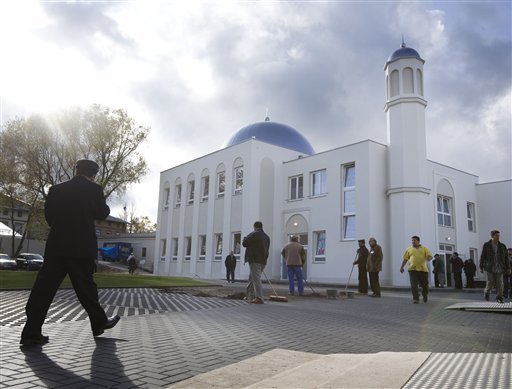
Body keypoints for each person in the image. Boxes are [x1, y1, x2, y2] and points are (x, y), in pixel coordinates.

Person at [20, 160, 120, 346]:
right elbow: (102, 212)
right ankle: (99, 323)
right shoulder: (94, 189)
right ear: (93, 174)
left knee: (43, 290)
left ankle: (31, 332)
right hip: (81, 248)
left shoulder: (56, 190)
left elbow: (49, 216)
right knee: (86, 289)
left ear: (76, 170)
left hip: (57, 246)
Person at [242, 221, 270, 304]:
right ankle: (250, 296)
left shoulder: (254, 234)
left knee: (256, 279)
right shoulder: (266, 237)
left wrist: (244, 238)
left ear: (254, 227)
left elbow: (245, 243)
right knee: (252, 278)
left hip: (255, 259)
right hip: (263, 260)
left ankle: (259, 297)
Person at [480, 230, 511, 303]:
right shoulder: (486, 245)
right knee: (490, 282)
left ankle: (499, 297)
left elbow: (506, 258)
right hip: (490, 267)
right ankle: (487, 292)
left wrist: (508, 268)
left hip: (500, 267)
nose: (498, 237)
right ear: (492, 236)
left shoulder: (502, 246)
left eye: (499, 235)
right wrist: (481, 267)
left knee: (500, 283)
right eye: (496, 235)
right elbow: (483, 256)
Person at [400, 236, 433, 304]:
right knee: (413, 285)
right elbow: (405, 259)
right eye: (412, 240)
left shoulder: (424, 249)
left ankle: (424, 294)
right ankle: (416, 299)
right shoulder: (409, 249)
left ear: (418, 241)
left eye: (414, 240)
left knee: (425, 286)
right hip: (412, 269)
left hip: (423, 270)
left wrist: (429, 258)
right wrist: (402, 267)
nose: (413, 242)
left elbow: (429, 256)